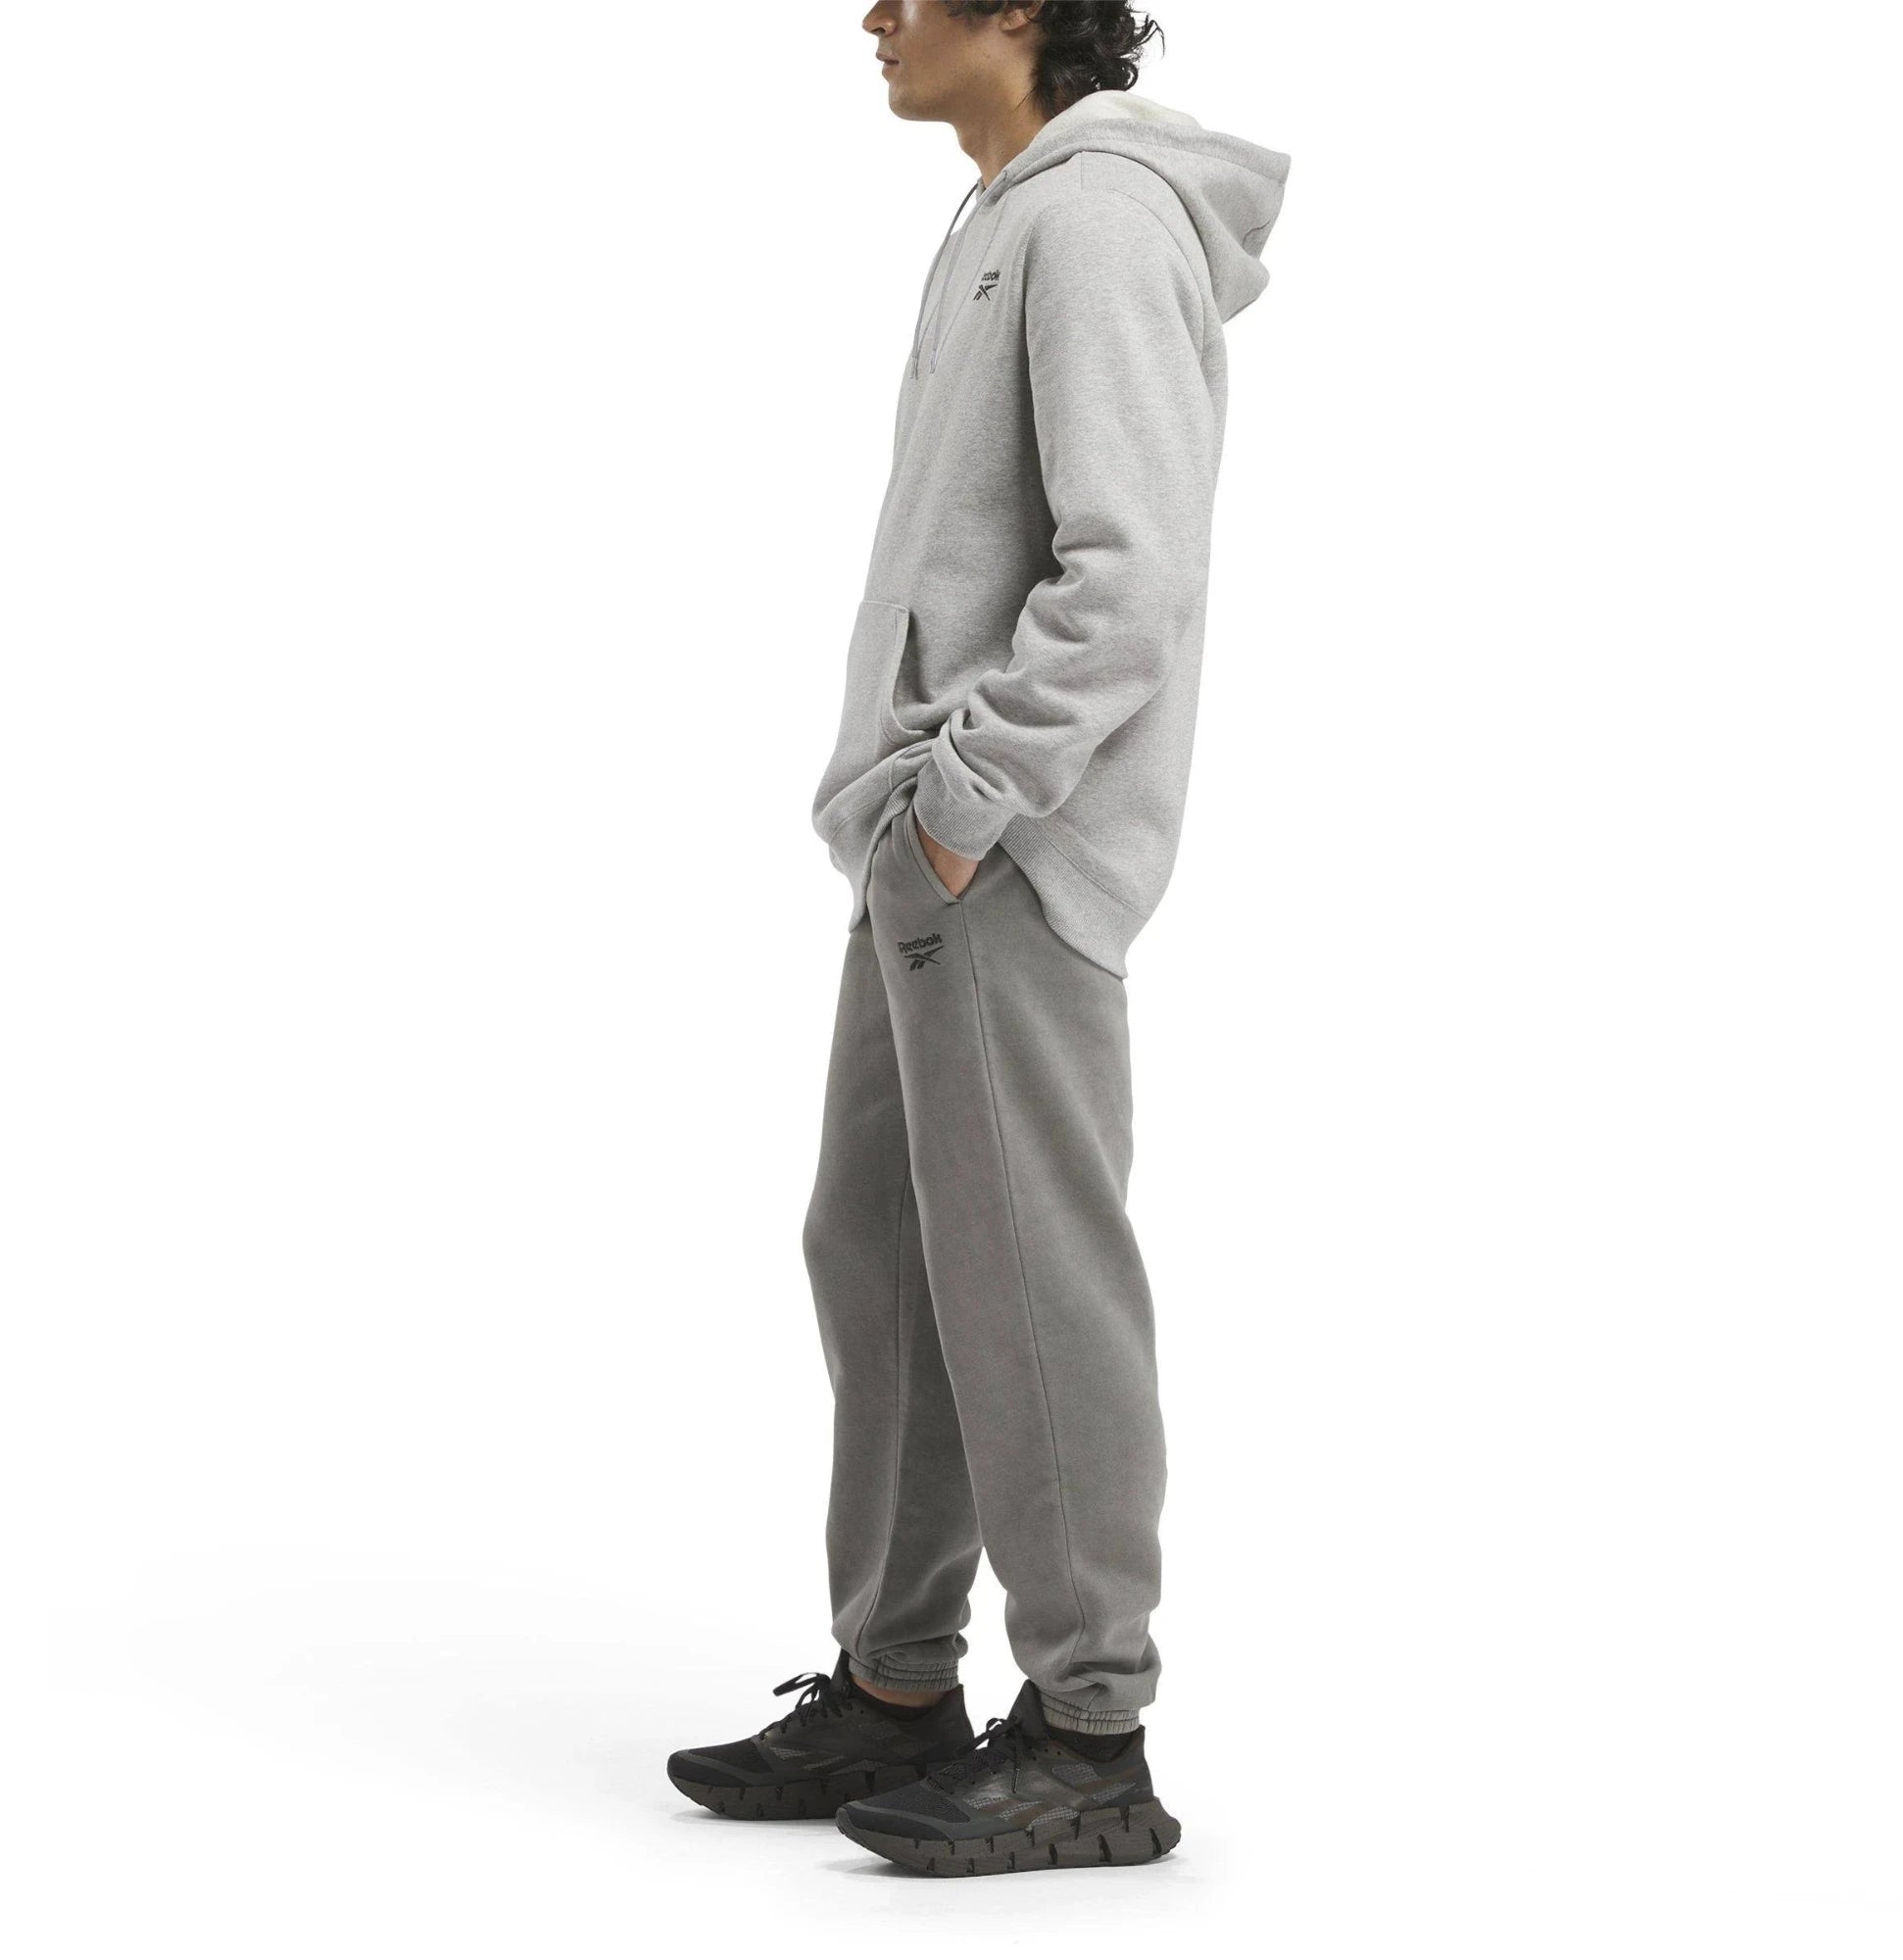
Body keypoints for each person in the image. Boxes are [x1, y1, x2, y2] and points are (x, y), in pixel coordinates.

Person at [669, 0, 1286, 1876]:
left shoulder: (1096, 217)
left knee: (1028, 1276)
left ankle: (1093, 1733)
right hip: (924, 847)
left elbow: (1130, 575)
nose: (870, 16)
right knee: (880, 1248)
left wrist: (965, 805)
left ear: (1017, 8)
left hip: (1005, 851)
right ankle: (897, 1680)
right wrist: (909, 825)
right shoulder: (1008, 211)